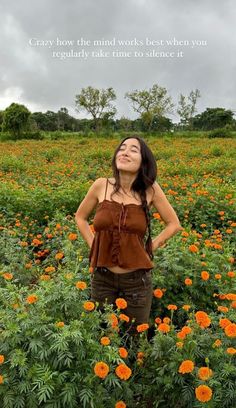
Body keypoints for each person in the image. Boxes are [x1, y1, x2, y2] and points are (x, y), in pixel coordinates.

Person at [75, 135, 182, 333]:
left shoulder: (150, 190)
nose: (125, 152)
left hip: (137, 282)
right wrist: (93, 246)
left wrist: (150, 247)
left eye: (133, 150)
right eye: (122, 148)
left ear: (143, 161)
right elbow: (80, 217)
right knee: (101, 333)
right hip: (102, 277)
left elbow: (174, 224)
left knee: (133, 337)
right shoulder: (101, 185)